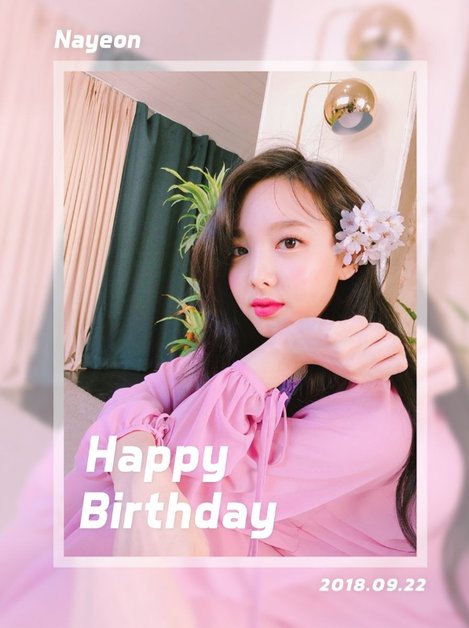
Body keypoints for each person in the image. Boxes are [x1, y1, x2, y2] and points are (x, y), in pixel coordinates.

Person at [67, 146, 416, 557]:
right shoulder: (238, 349)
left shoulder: (372, 421)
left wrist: (285, 351)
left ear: (350, 257)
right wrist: (142, 468)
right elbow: (133, 401)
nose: (257, 276)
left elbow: (193, 488)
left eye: (289, 241)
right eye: (239, 250)